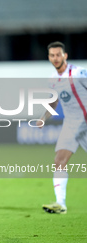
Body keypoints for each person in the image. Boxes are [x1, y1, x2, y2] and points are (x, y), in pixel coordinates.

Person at [37, 41, 87, 214]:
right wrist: (44, 117)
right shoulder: (53, 79)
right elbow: (54, 100)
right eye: (52, 55)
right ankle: (60, 203)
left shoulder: (79, 73)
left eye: (58, 54)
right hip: (72, 124)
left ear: (65, 56)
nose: (55, 58)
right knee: (59, 160)